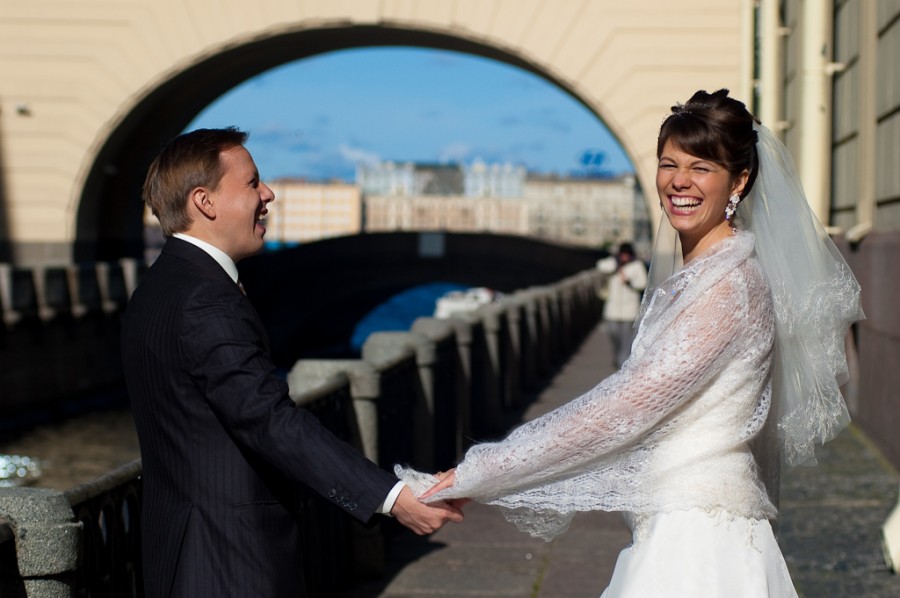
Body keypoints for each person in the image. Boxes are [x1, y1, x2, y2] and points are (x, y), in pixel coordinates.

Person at [399, 89, 863, 596]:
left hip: (698, 541)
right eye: (669, 164)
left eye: (701, 167)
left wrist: (483, 471)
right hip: (679, 522)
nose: (679, 181)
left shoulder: (728, 289)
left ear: (739, 181)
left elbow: (623, 406)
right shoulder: (704, 275)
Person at [121, 128, 463, 598]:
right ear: (205, 201)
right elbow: (267, 418)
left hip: (179, 553)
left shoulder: (159, 285)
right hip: (229, 563)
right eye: (252, 183)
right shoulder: (206, 299)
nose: (268, 194)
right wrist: (391, 497)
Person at [596, 243, 647, 368]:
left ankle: (622, 364)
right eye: (622, 254)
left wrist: (629, 282)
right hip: (612, 310)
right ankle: (618, 356)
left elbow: (642, 283)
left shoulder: (637, 266)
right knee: (613, 334)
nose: (625, 257)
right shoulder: (613, 264)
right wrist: (616, 265)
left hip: (629, 311)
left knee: (626, 340)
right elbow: (600, 266)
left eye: (627, 254)